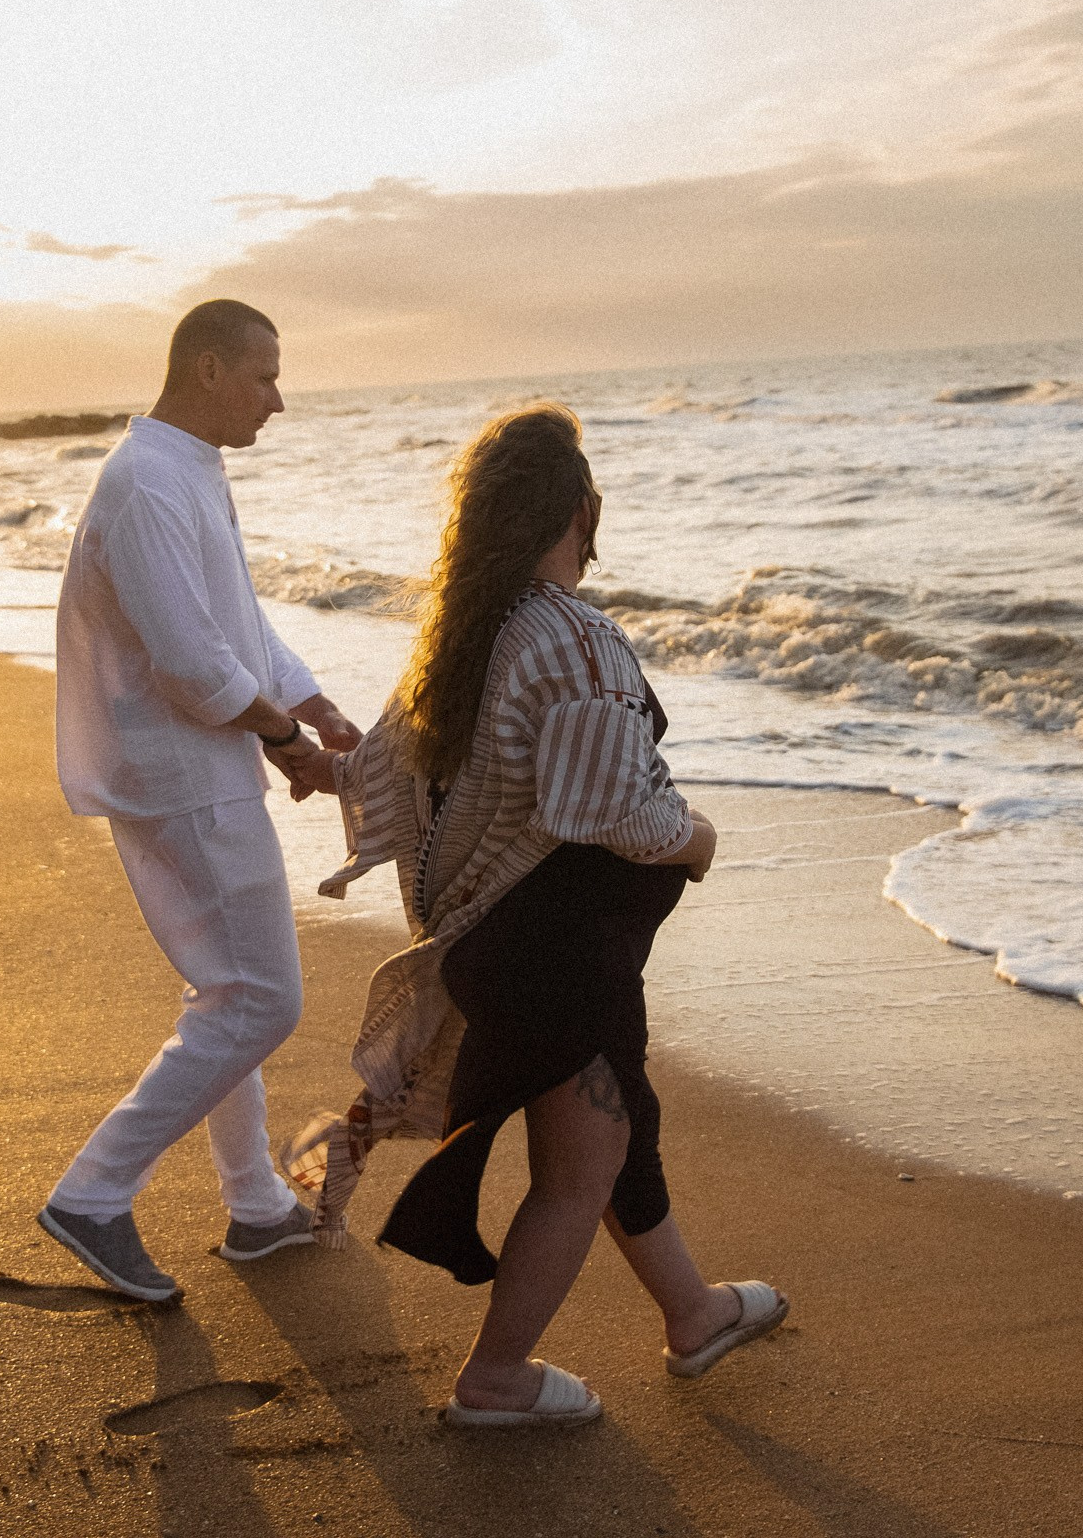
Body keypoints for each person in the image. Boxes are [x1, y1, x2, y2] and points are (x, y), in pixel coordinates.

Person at [286, 404, 787, 1426]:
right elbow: (611, 811)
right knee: (581, 1164)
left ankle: (692, 1313)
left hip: (504, 949)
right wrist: (695, 837)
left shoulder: (457, 642)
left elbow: (386, 769)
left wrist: (324, 768)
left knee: (611, 1128)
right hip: (557, 953)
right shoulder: (573, 639)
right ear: (582, 508)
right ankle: (497, 1378)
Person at [40, 298, 358, 1301]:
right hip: (180, 773)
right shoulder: (144, 482)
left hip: (197, 765)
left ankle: (256, 1205)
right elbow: (186, 661)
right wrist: (284, 740)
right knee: (264, 1000)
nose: (277, 397)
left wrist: (311, 703)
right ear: (208, 367)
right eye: (263, 375)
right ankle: (93, 1193)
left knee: (227, 989)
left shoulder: (184, 470)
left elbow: (234, 625)